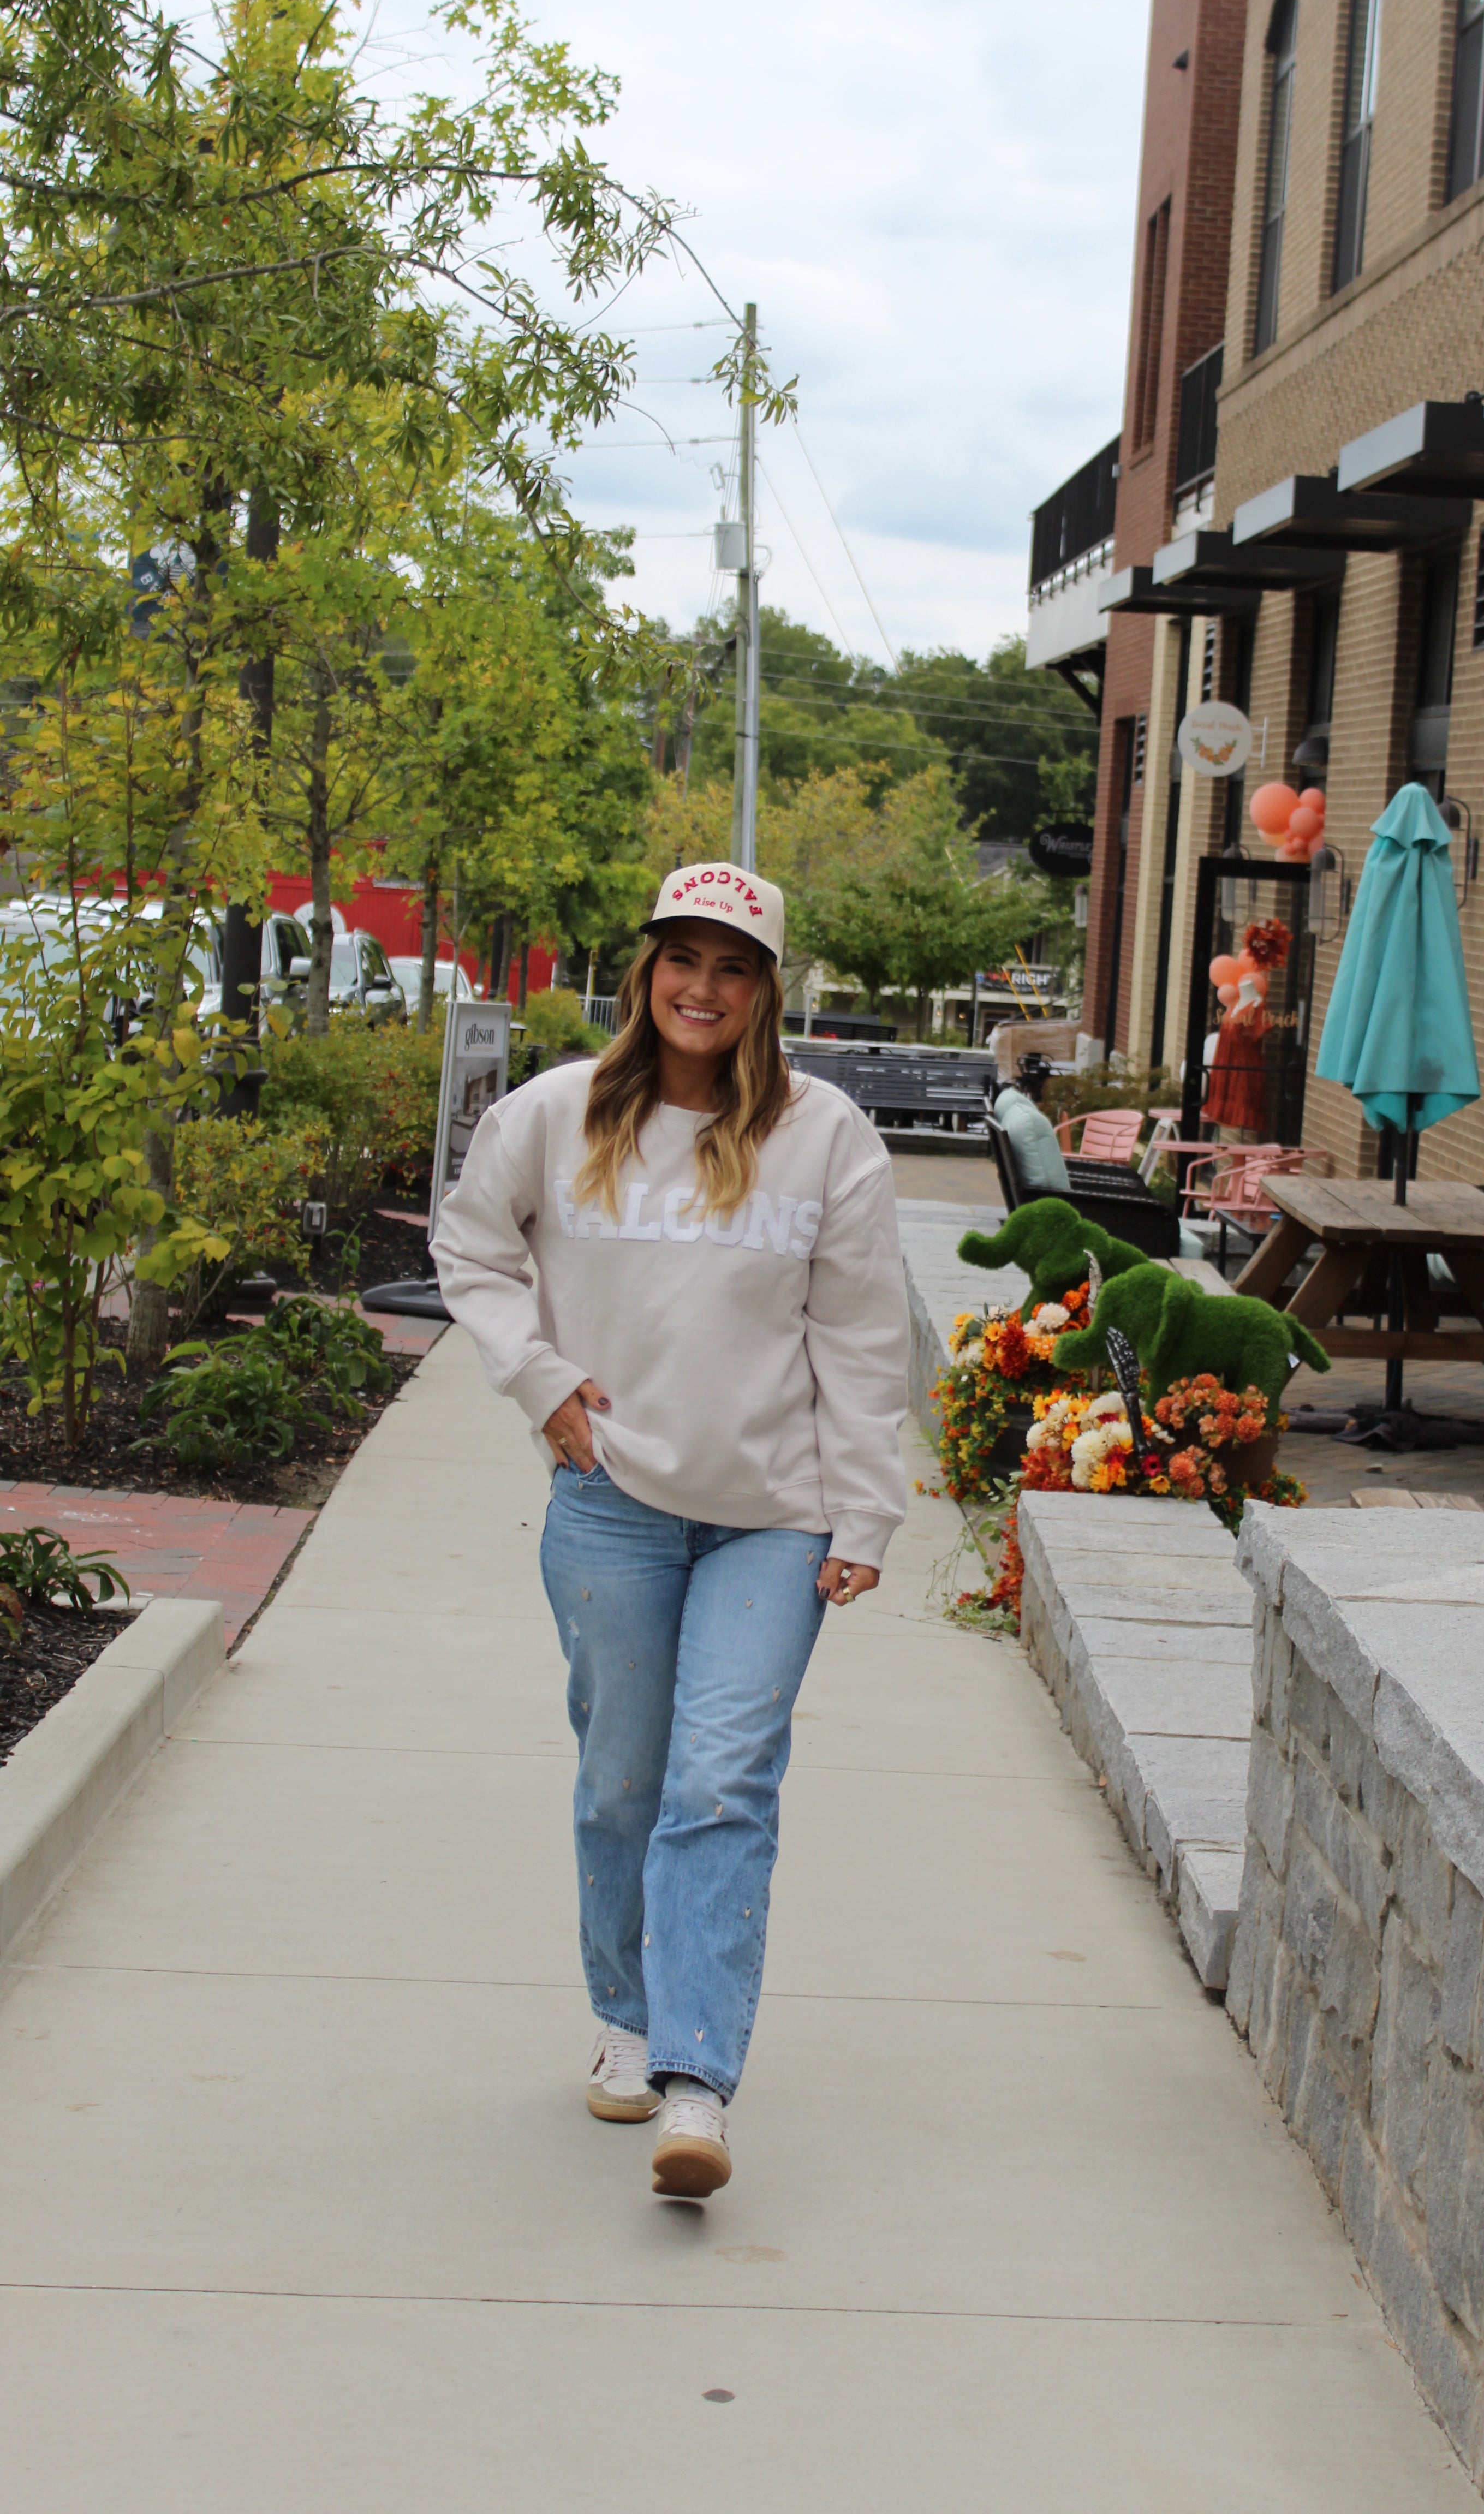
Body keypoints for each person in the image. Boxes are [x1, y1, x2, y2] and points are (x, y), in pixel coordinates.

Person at [432, 865, 907, 2200]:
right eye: (681, 959)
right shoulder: (559, 1112)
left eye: (735, 965)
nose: (704, 987)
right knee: (623, 1783)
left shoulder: (826, 1139)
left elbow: (864, 1341)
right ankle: (627, 2023)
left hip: (773, 1517)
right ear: (648, 974)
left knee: (722, 1782)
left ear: (767, 990)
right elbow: (470, 1248)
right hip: (613, 1509)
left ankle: (698, 2083)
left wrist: (866, 1509)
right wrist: (540, 1378)